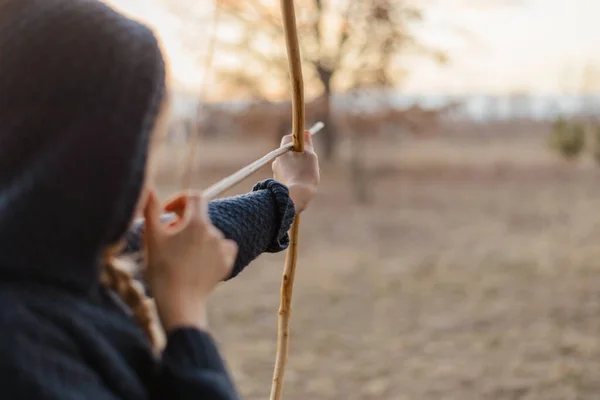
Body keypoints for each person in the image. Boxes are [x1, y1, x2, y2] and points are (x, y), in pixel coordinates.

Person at [0, 0, 320, 399]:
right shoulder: (19, 346)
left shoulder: (44, 256)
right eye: (147, 151)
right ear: (91, 166)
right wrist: (185, 316)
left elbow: (176, 241)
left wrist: (287, 197)